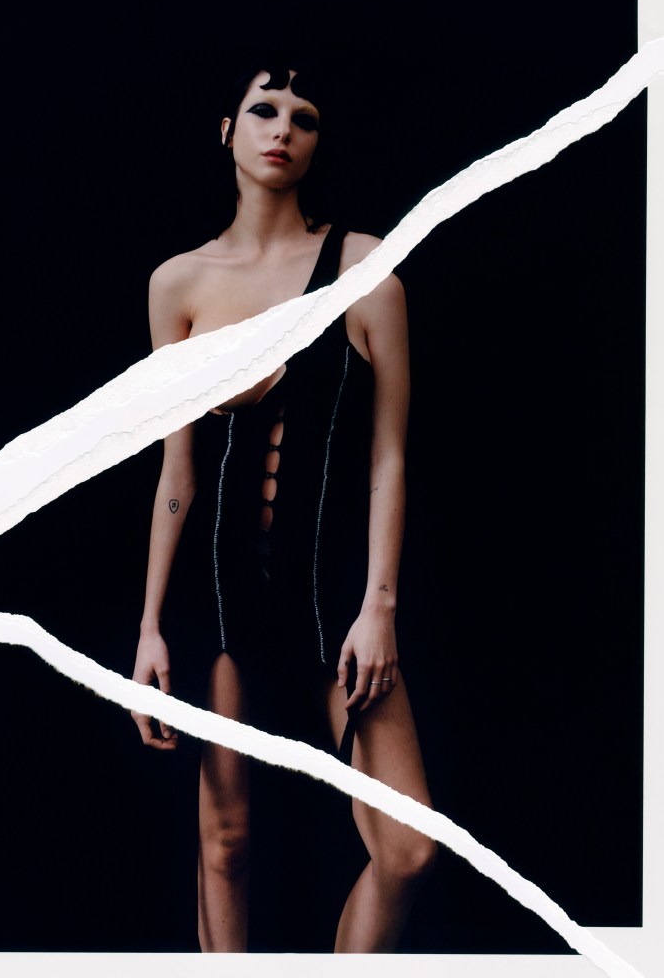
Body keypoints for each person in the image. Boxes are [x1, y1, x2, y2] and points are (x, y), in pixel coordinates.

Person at [130, 60, 436, 953]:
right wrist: (148, 628)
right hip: (220, 595)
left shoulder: (365, 268)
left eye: (304, 118)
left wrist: (379, 605)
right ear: (226, 130)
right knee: (224, 844)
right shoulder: (178, 283)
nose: (282, 130)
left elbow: (388, 454)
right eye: (264, 109)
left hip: (334, 594)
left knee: (408, 850)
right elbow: (177, 469)